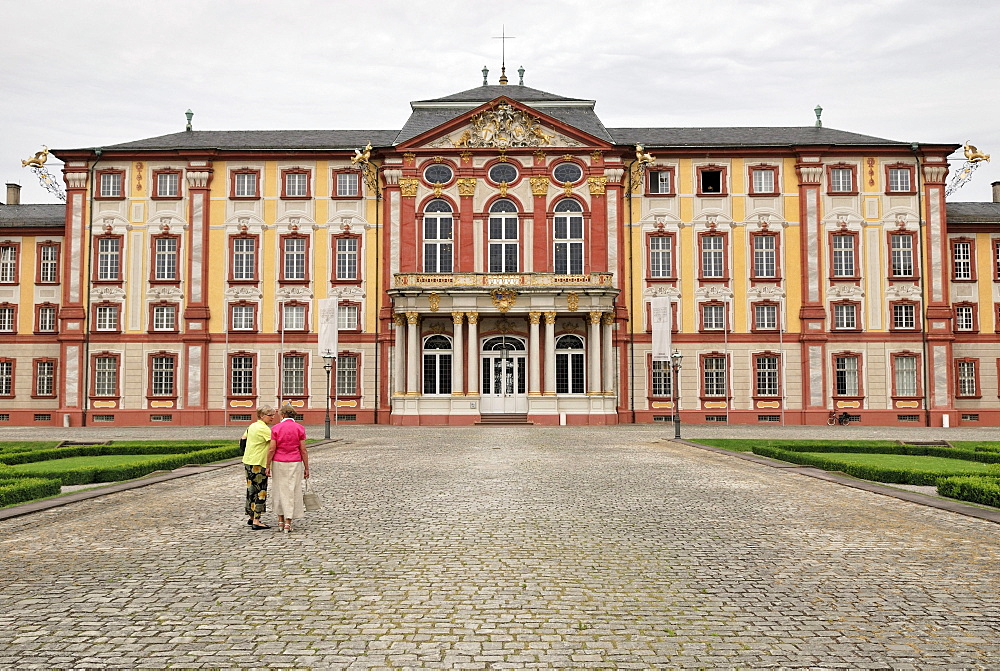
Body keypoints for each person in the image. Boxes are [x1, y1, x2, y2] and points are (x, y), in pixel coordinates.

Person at [266, 404, 310, 533]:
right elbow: (303, 450)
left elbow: (271, 449)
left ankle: (280, 520)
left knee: (279, 489)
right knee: (292, 490)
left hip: (279, 461)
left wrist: (267, 465)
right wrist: (306, 467)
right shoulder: (299, 428)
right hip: (295, 462)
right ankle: (288, 522)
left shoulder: (276, 428)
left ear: (283, 415)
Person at [242, 405, 276, 530]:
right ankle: (257, 520)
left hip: (248, 460)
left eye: (273, 415)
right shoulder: (264, 429)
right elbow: (275, 442)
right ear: (262, 416)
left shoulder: (252, 426)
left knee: (251, 489)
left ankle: (251, 517)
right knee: (260, 491)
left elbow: (242, 439)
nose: (273, 417)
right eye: (270, 415)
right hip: (258, 463)